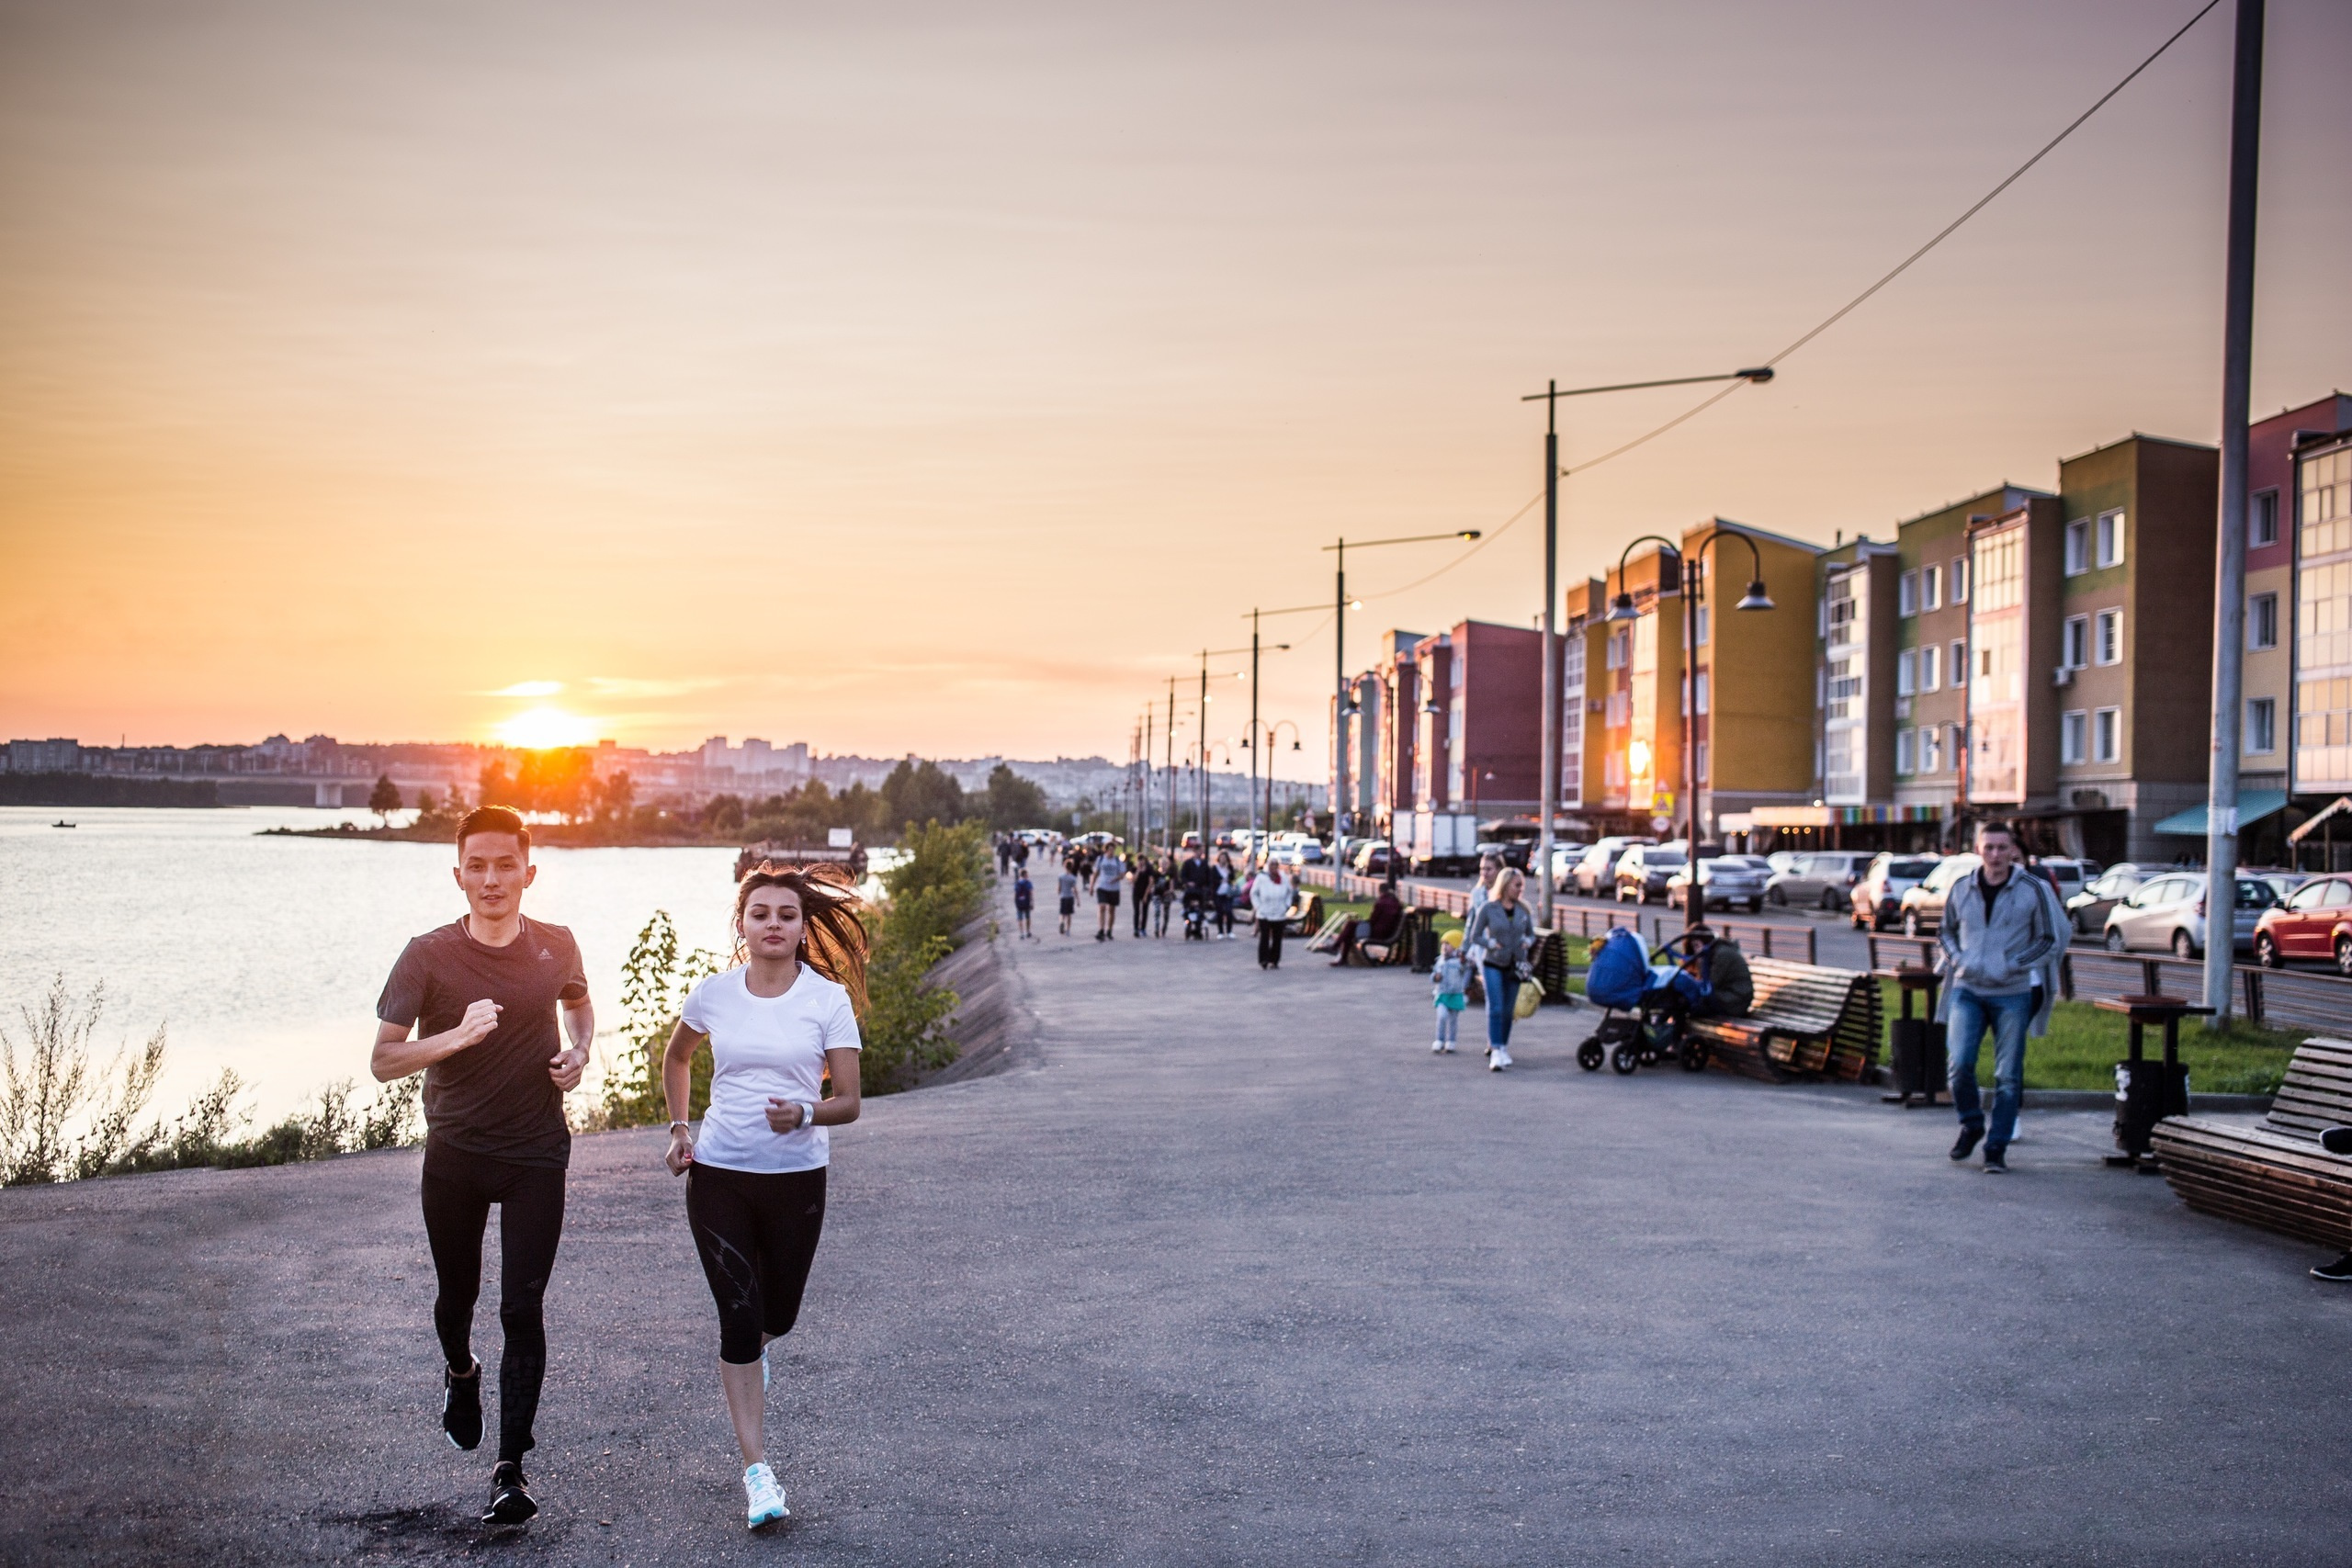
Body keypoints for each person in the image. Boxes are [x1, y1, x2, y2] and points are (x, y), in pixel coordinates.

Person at [371, 806, 594, 1527]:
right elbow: (383, 1060)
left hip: (536, 1152)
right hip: (457, 1154)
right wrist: (456, 1037)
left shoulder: (557, 944)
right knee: (457, 1297)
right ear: (459, 873)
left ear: (529, 873)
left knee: (522, 1308)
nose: (492, 878)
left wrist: (579, 1051)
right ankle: (460, 1372)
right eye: (479, 865)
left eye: (506, 865)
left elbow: (579, 1004)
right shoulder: (427, 955)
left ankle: (510, 1469)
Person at [662, 863, 865, 1531]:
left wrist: (805, 1113)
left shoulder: (826, 998)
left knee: (779, 1313)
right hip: (717, 1173)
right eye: (760, 913)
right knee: (739, 1319)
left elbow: (850, 1102)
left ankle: (753, 1349)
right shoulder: (714, 994)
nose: (772, 923)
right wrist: (679, 1129)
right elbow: (677, 1057)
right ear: (742, 923)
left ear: (802, 926)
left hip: (797, 1178)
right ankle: (758, 1472)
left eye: (785, 913)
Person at [1936, 821, 2065, 1173]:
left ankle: (1996, 1147)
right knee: (1959, 1066)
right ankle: (1972, 1123)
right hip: (1968, 989)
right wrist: (1959, 959)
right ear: (1978, 849)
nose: (1995, 855)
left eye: (2002, 848)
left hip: (2013, 993)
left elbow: (2049, 938)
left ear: (2013, 851)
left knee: (2008, 1075)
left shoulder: (2031, 889)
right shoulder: (1962, 888)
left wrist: (2014, 965)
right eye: (1988, 847)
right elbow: (1944, 931)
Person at [1462, 867, 1535, 1070]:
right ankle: (1495, 1049)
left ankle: (1503, 1046)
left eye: (1522, 885)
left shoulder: (1523, 910)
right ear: (1505, 885)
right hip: (1493, 963)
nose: (1520, 889)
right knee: (1496, 1006)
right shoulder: (1488, 908)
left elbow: (1531, 933)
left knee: (1508, 1010)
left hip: (1515, 966)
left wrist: (1528, 941)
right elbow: (1474, 936)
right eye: (1517, 885)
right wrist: (1491, 944)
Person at [1332, 883, 1405, 967]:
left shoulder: (1380, 903)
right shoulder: (1396, 903)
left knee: (1350, 925)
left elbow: (1373, 921)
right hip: (1388, 932)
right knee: (1351, 928)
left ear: (1380, 891)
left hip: (1377, 933)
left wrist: (1362, 922)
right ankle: (1338, 951)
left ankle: (1337, 949)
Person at [1250, 859, 1294, 969]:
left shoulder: (1283, 877)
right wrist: (1258, 906)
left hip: (1279, 912)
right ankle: (1263, 959)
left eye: (1275, 865)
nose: (1274, 867)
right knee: (1264, 936)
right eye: (1271, 864)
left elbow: (1289, 892)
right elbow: (1254, 893)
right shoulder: (1262, 878)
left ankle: (1275, 959)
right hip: (1264, 912)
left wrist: (1286, 905)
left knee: (1277, 937)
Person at [1430, 929, 1470, 1053]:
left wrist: (1464, 961)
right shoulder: (1440, 960)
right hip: (1442, 994)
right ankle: (1439, 1040)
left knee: (1453, 1020)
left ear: (1455, 946)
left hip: (1455, 994)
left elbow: (1466, 969)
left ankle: (1451, 1041)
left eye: (1448, 944)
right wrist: (1435, 977)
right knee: (1442, 1017)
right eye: (1443, 944)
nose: (1444, 947)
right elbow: (1433, 975)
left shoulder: (1459, 962)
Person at [1092, 844, 1126, 941]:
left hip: (1114, 888)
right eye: (1110, 850)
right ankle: (1101, 929)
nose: (1111, 852)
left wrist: (1116, 879)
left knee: (1111, 910)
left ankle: (1109, 930)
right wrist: (1092, 886)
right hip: (1102, 886)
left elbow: (1122, 874)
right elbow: (1096, 873)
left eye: (1113, 850)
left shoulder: (1117, 861)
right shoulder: (1101, 859)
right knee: (1102, 907)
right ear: (1106, 850)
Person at [1213, 851, 1238, 940]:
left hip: (1228, 893)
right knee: (1219, 912)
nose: (1223, 859)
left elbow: (1233, 879)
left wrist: (1228, 871)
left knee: (1229, 911)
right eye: (1221, 857)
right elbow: (1212, 880)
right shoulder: (1215, 868)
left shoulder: (1229, 867)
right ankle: (1220, 932)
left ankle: (1229, 931)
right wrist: (1219, 881)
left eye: (1225, 858)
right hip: (1218, 893)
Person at [1130, 854, 1158, 938]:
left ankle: (1143, 928)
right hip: (1136, 892)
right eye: (1139, 860)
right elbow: (1133, 881)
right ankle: (1136, 929)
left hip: (1146, 891)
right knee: (1137, 911)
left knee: (1145, 911)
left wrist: (1146, 895)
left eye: (1142, 860)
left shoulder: (1149, 869)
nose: (1141, 862)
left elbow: (1151, 882)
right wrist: (1138, 871)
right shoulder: (1134, 869)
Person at [1012, 865, 1035, 940]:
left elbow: (1015, 894)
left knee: (1020, 918)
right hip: (1027, 902)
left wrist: (1015, 902)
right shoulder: (1028, 883)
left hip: (1019, 903)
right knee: (1027, 917)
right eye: (1027, 874)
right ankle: (1028, 931)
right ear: (1025, 875)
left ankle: (1021, 933)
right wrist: (1032, 902)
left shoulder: (1017, 883)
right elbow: (1031, 893)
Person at [1056, 862, 1079, 937]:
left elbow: (1059, 888)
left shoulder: (1061, 876)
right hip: (1070, 896)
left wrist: (1058, 892)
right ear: (1072, 867)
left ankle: (1061, 922)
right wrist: (1078, 900)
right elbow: (1075, 889)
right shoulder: (1073, 878)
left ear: (1065, 867)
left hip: (1063, 896)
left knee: (1062, 913)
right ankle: (1068, 930)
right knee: (1069, 914)